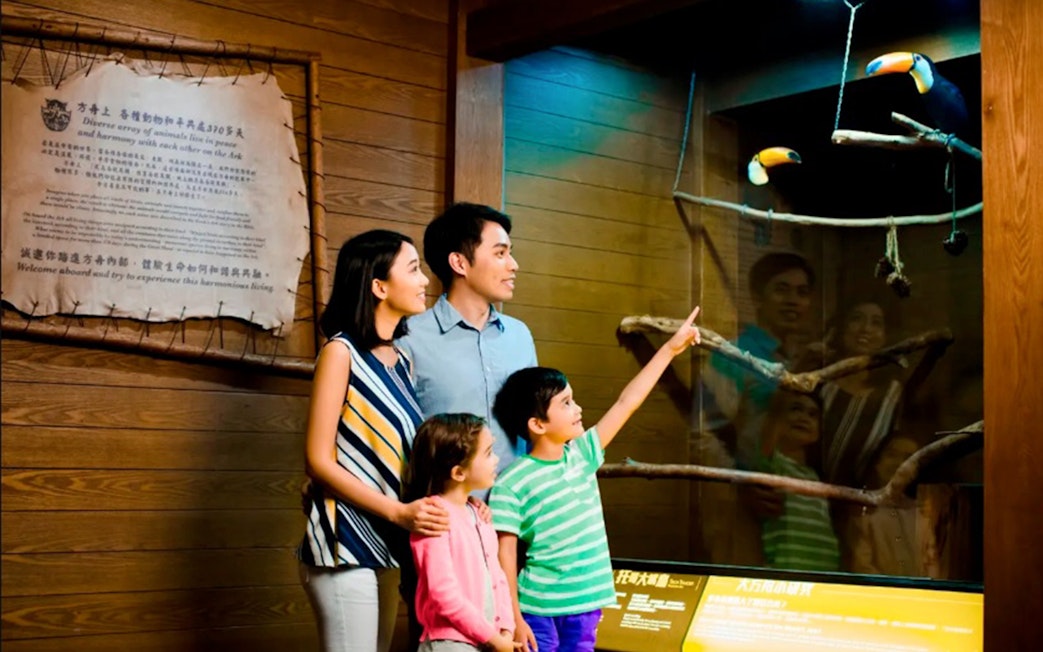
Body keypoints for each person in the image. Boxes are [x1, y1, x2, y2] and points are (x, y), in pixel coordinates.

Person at [490, 307, 702, 652]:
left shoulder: (583, 455)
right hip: (537, 610)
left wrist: (671, 350)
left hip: (586, 606)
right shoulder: (512, 483)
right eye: (567, 403)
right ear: (537, 424)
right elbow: (505, 557)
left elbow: (626, 402)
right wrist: (514, 616)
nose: (579, 410)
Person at [297, 230, 451, 652]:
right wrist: (399, 513)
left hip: (386, 545)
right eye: (414, 269)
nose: (425, 282)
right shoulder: (339, 353)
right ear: (379, 287)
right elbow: (318, 461)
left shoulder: (402, 361)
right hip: (343, 543)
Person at [397, 203, 538, 479]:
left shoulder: (520, 335)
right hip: (445, 516)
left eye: (511, 253)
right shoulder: (408, 339)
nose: (513, 265)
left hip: (519, 513)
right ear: (459, 263)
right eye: (500, 253)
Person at [697, 252, 816, 566]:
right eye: (781, 289)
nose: (793, 300)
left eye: (802, 293)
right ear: (757, 296)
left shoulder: (803, 361)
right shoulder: (735, 354)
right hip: (742, 508)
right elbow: (705, 433)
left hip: (793, 514)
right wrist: (743, 485)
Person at [404, 414, 519, 652]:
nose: (496, 459)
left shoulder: (480, 513)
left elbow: (497, 575)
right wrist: (494, 638)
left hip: (485, 640)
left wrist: (506, 627)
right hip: (449, 643)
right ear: (458, 473)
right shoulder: (433, 516)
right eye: (488, 453)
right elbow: (443, 595)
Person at [756, 391, 841, 572]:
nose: (804, 417)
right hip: (784, 571)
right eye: (796, 409)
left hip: (824, 575)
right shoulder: (774, 464)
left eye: (813, 414)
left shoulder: (816, 477)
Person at [848, 436, 924, 577]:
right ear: (877, 462)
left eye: (908, 458)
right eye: (892, 455)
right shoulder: (862, 510)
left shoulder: (924, 513)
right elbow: (861, 566)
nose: (899, 464)